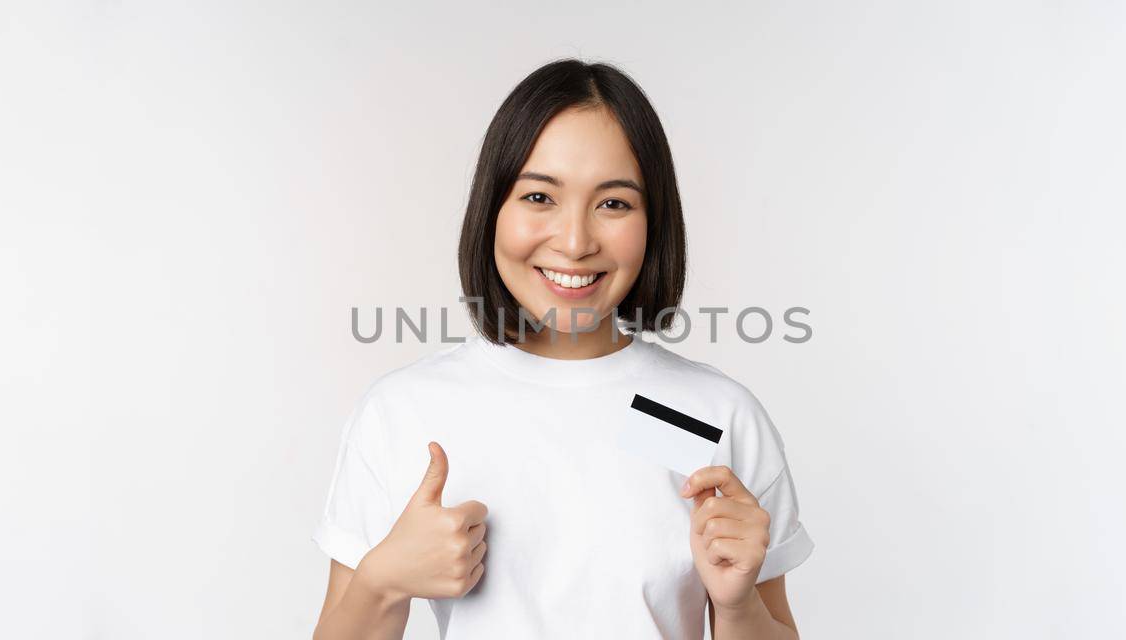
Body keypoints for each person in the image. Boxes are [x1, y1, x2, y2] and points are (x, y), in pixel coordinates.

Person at [312, 58, 813, 639]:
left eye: (614, 203)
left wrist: (736, 606)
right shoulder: (403, 412)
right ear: (492, 210)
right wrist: (382, 584)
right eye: (540, 198)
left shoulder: (715, 417)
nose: (575, 243)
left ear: (655, 222)